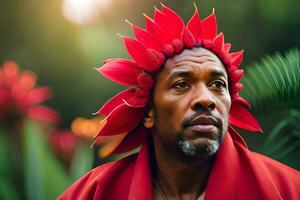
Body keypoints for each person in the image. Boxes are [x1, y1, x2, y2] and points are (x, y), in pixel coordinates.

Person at [58, 4, 300, 200]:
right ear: (149, 112)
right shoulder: (92, 193)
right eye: (182, 84)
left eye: (218, 85)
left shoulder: (288, 189)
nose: (206, 99)